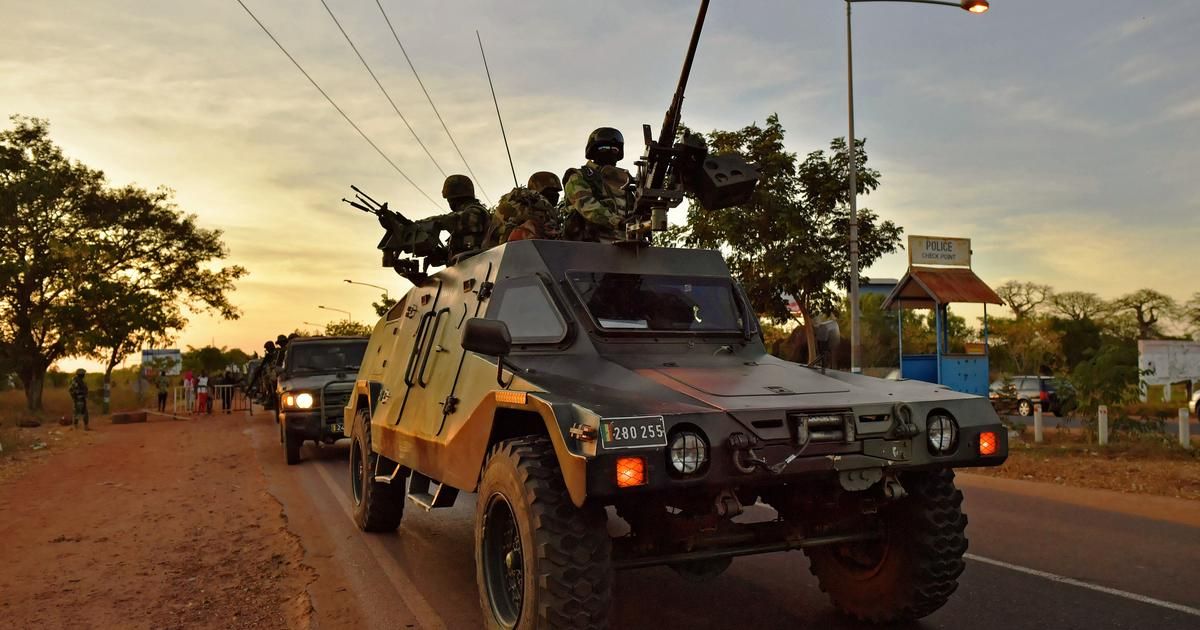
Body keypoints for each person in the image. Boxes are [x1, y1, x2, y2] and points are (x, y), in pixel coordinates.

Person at [562, 127, 634, 242]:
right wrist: (617, 221)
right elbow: (586, 205)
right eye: (604, 148)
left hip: (626, 246)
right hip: (586, 248)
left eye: (615, 149)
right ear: (593, 150)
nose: (610, 152)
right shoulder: (579, 176)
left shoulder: (627, 183)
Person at [491, 172, 563, 244]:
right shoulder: (539, 202)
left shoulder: (509, 201)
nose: (556, 195)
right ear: (541, 189)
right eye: (552, 190)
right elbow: (554, 240)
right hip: (525, 251)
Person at [438, 175, 491, 258]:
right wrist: (441, 254)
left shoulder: (476, 212)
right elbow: (465, 247)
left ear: (453, 199)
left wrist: (435, 223)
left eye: (449, 199)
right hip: (468, 267)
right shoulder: (465, 221)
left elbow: (458, 219)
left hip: (479, 266)